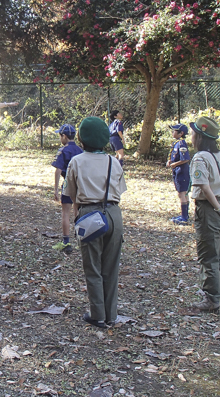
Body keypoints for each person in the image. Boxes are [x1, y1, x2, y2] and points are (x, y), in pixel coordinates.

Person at [63, 117, 127, 328]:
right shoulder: (113, 162)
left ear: (81, 139)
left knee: (92, 266)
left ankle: (97, 314)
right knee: (111, 266)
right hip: (114, 213)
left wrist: (77, 215)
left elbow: (71, 194)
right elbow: (120, 190)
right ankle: (112, 314)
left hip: (89, 214)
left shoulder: (77, 161)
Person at [189, 116, 220, 312]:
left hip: (210, 209)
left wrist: (217, 208)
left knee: (208, 256)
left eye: (194, 132)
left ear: (199, 136)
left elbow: (204, 187)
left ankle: (212, 299)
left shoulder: (200, 158)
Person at [51, 124, 83, 254]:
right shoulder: (81, 150)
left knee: (65, 212)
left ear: (64, 136)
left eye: (60, 136)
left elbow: (58, 170)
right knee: (78, 212)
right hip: (80, 185)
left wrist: (56, 189)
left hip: (68, 184)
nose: (60, 138)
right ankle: (81, 240)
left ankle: (66, 242)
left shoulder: (63, 150)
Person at [166, 123, 191, 225]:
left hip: (182, 172)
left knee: (182, 193)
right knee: (182, 193)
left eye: (174, 131)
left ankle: (184, 217)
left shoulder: (181, 144)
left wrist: (174, 164)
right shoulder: (176, 143)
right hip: (177, 171)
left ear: (181, 133)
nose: (172, 132)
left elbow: (185, 159)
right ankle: (184, 214)